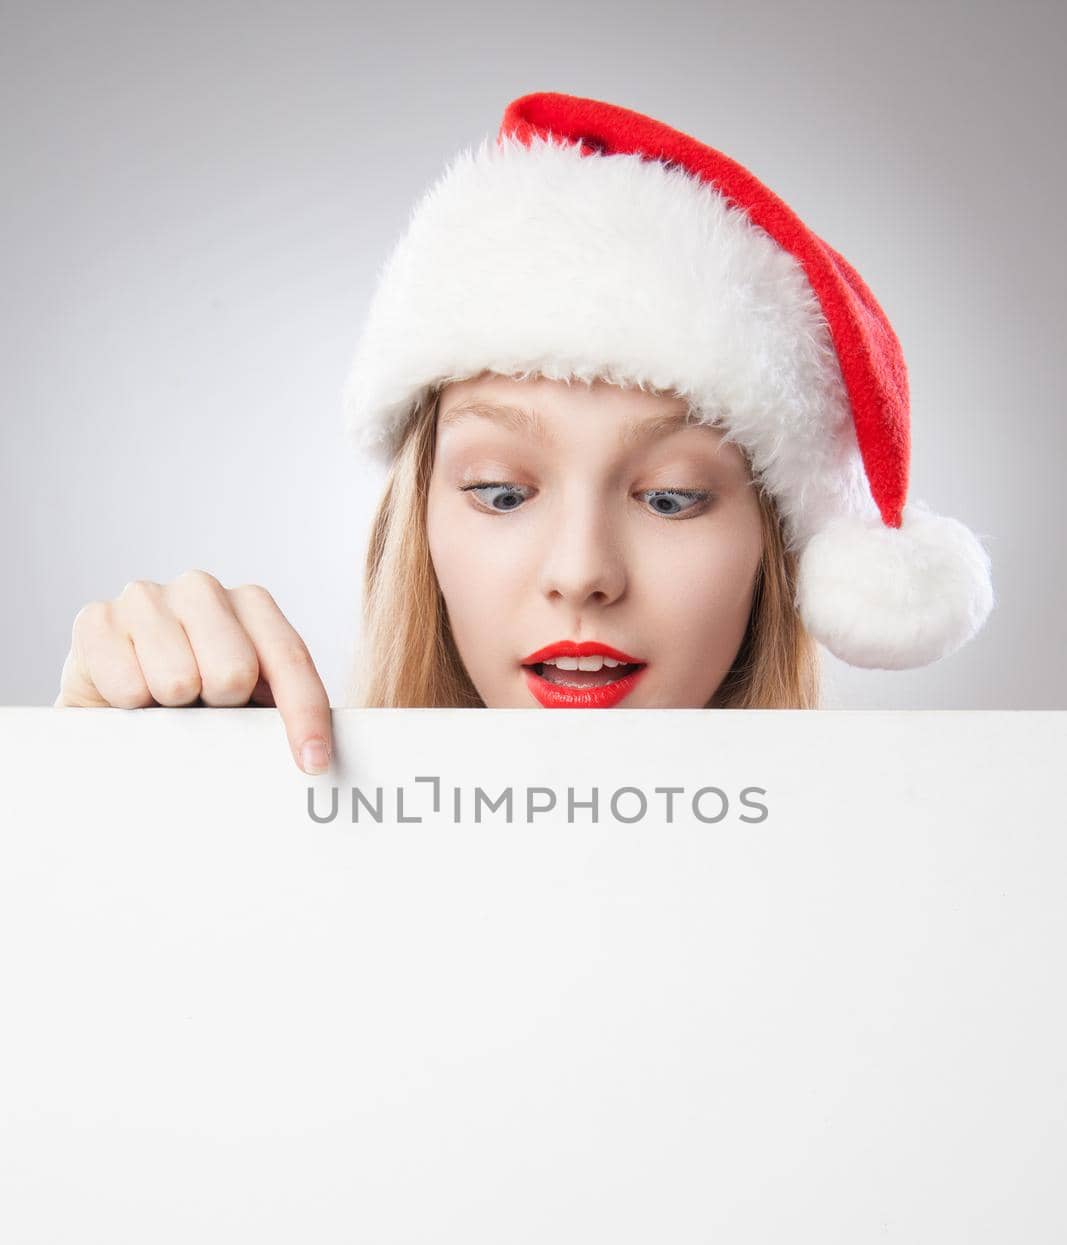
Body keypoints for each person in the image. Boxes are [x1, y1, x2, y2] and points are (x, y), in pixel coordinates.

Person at [54, 90, 995, 774]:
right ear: (416, 527)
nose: (580, 572)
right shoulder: (270, 882)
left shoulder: (943, 922)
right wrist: (107, 810)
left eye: (671, 497)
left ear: (775, 552)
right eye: (501, 492)